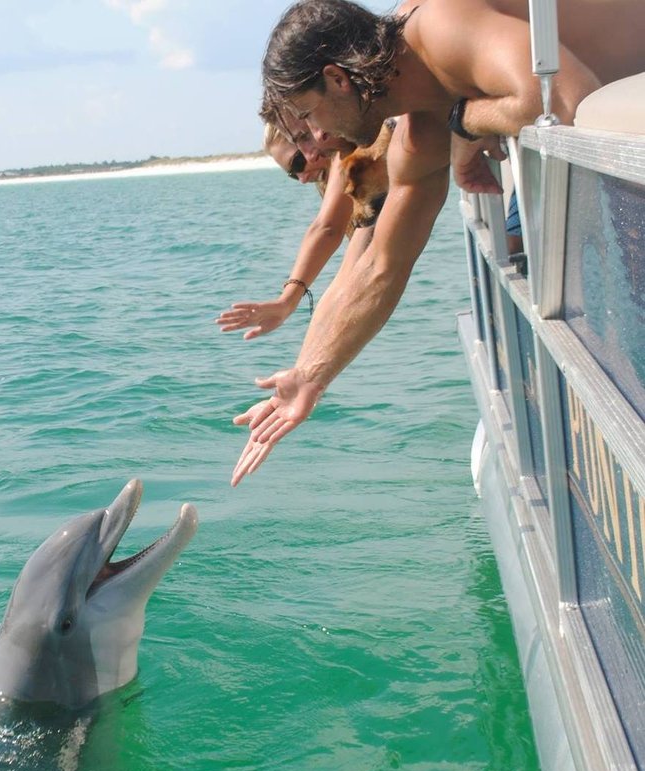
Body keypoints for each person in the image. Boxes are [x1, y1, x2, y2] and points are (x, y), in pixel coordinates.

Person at [231, 0, 645, 486]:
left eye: (308, 115)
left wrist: (467, 122)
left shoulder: (439, 25)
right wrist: (309, 375)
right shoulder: (419, 126)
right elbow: (381, 264)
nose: (318, 140)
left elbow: (564, 97)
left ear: (338, 78)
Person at [216, 123, 358, 341]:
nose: (302, 178)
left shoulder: (347, 152)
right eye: (293, 175)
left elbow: (328, 228)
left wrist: (287, 301)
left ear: (314, 136)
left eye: (298, 163)